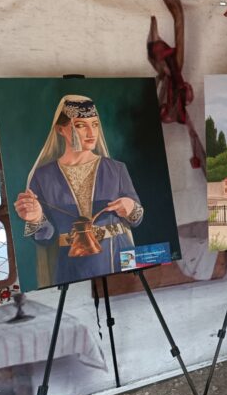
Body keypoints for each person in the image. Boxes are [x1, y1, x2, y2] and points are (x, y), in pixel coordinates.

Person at [13, 95, 144, 287]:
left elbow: (137, 219)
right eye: (81, 125)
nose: (91, 132)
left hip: (119, 255)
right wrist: (36, 218)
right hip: (73, 264)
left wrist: (130, 207)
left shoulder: (116, 169)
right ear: (60, 129)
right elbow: (46, 238)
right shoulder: (43, 177)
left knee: (129, 294)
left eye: (95, 124)